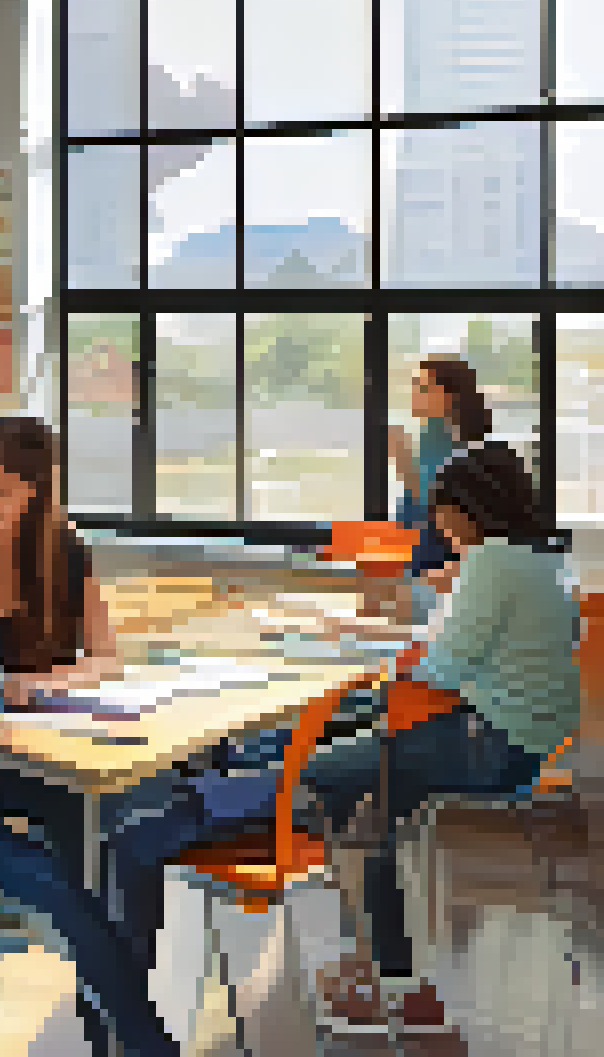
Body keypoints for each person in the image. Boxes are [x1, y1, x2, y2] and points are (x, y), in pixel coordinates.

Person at [108, 441, 580, 1029]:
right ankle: (387, 969)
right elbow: (482, 656)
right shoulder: (545, 561)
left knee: (328, 770)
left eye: (447, 520)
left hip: (484, 741)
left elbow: (445, 668)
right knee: (353, 769)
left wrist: (403, 649)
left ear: (472, 510)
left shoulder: (493, 563)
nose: (443, 532)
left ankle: (203, 803)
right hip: (523, 748)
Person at [0, 417, 177, 1057]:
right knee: (60, 885)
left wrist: (46, 683)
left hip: (42, 755)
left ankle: (110, 1027)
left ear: (35, 496)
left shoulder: (64, 549)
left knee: (125, 852)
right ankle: (145, 1039)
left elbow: (106, 662)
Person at [388, 356, 491, 593]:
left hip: (439, 582)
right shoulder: (427, 441)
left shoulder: (465, 447)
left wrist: (405, 467)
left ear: (450, 396)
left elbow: (447, 512)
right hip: (409, 571)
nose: (414, 393)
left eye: (423, 387)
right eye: (414, 385)